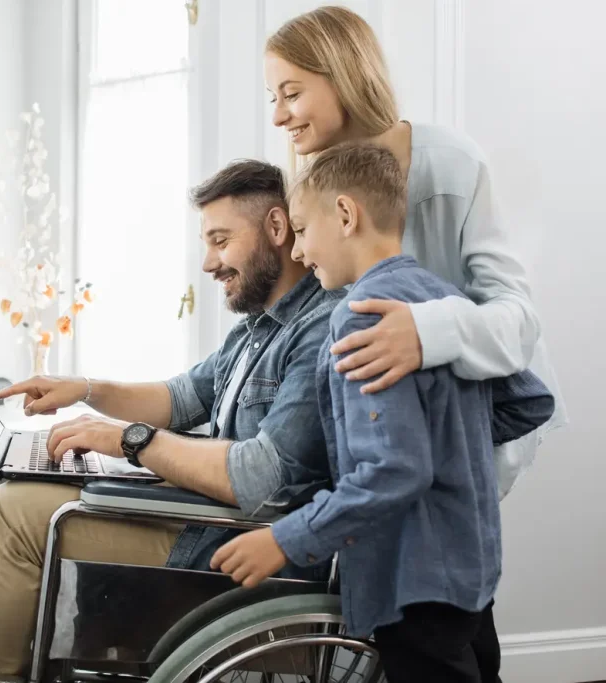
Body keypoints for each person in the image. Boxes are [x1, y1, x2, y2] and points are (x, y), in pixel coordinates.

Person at [0, 160, 342, 683]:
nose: (208, 263)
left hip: (235, 547)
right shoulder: (258, 329)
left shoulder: (318, 328)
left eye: (221, 240)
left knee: (12, 513)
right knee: (27, 494)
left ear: (276, 229)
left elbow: (260, 477)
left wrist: (129, 441)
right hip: (206, 520)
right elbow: (180, 397)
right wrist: (86, 390)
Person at [211, 143, 555, 683]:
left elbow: (394, 470)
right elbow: (530, 399)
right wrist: (451, 439)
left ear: (346, 215)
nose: (298, 252)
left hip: (411, 577)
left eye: (301, 230)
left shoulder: (360, 318)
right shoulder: (440, 299)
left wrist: (284, 538)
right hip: (472, 566)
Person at [262, 5, 565, 496]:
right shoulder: (313, 193)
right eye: (272, 98)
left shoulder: (450, 163)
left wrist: (425, 333)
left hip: (470, 438)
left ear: (344, 76)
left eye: (291, 94)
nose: (277, 116)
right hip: (380, 445)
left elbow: (519, 323)